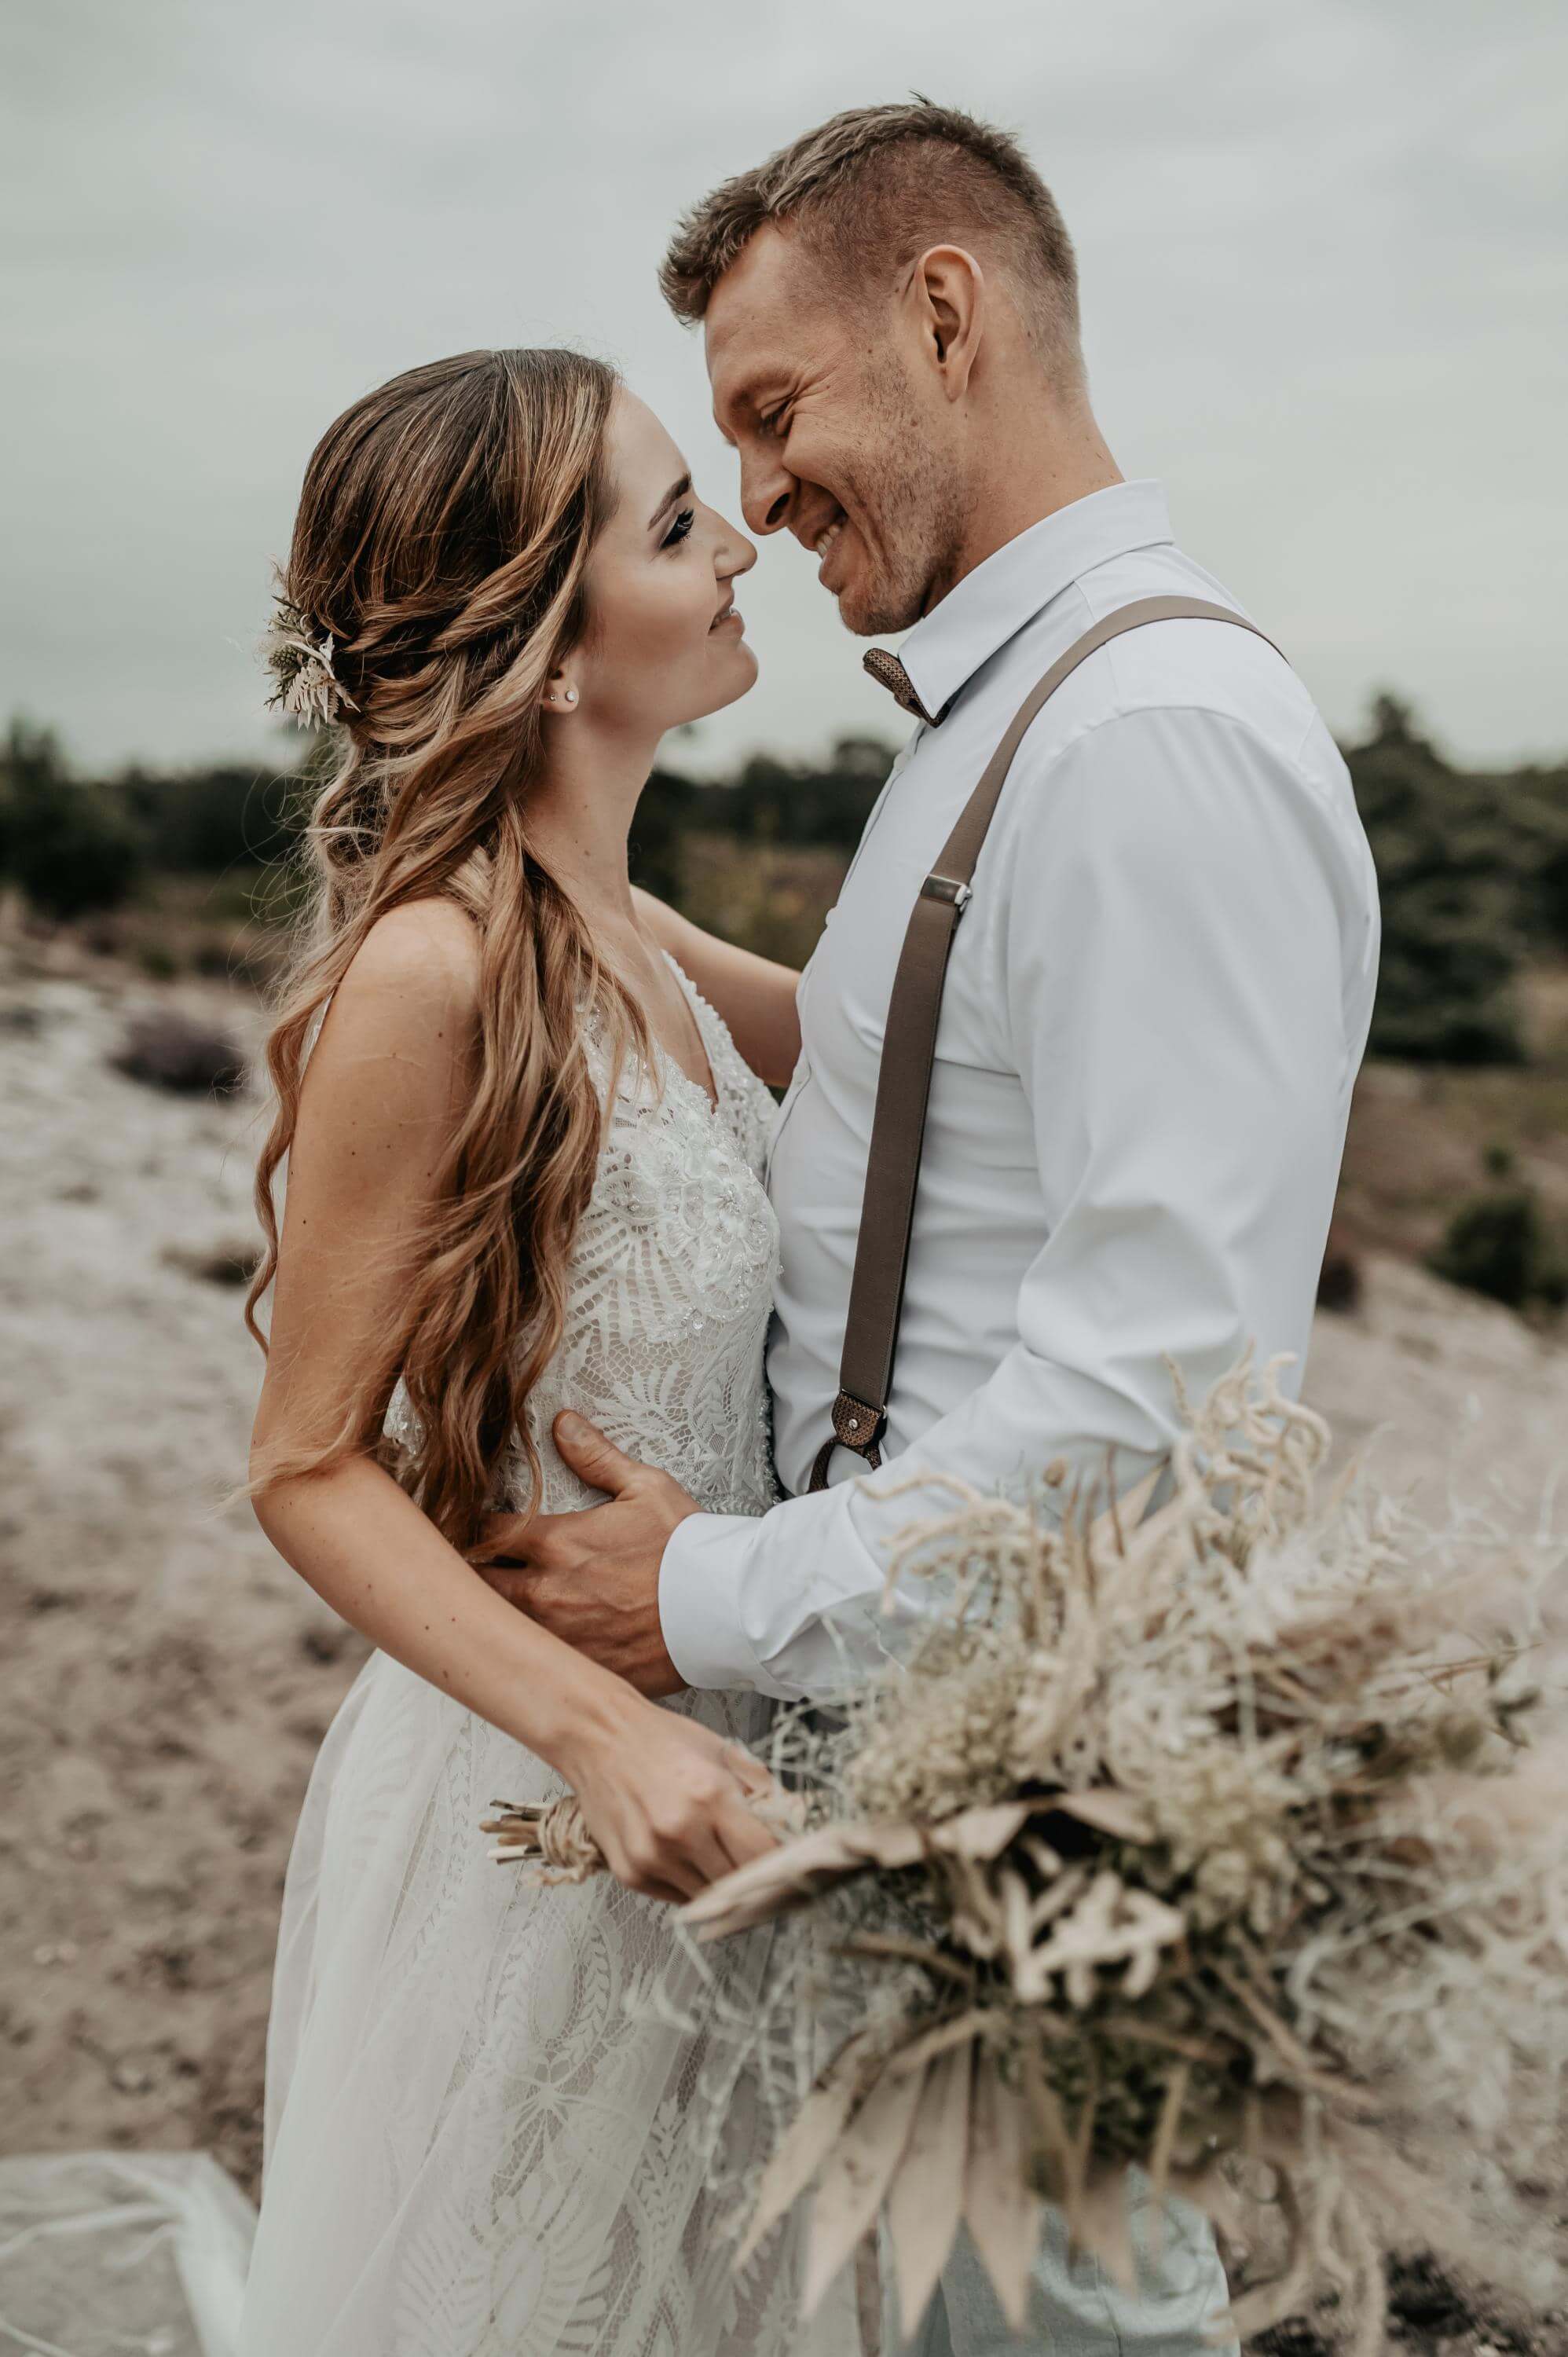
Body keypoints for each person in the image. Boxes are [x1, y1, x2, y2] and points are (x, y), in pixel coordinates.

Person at [474, 102, 1381, 2355]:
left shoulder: (1146, 740)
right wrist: (547, 881)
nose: (758, 500)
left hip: (1030, 1794)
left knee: (1060, 2318)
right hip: (910, 1744)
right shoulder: (1026, 720)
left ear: (946, 315)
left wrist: (703, 1589)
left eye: (773, 415)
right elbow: (897, 1092)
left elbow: (1151, 1398)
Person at [237, 348, 853, 2356]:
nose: (743, 536)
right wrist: (603, 1733)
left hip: (729, 1765)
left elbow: (927, 1056)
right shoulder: (432, 969)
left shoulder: (624, 934)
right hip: (551, 1796)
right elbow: (306, 1464)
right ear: (543, 647)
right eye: (680, 525)